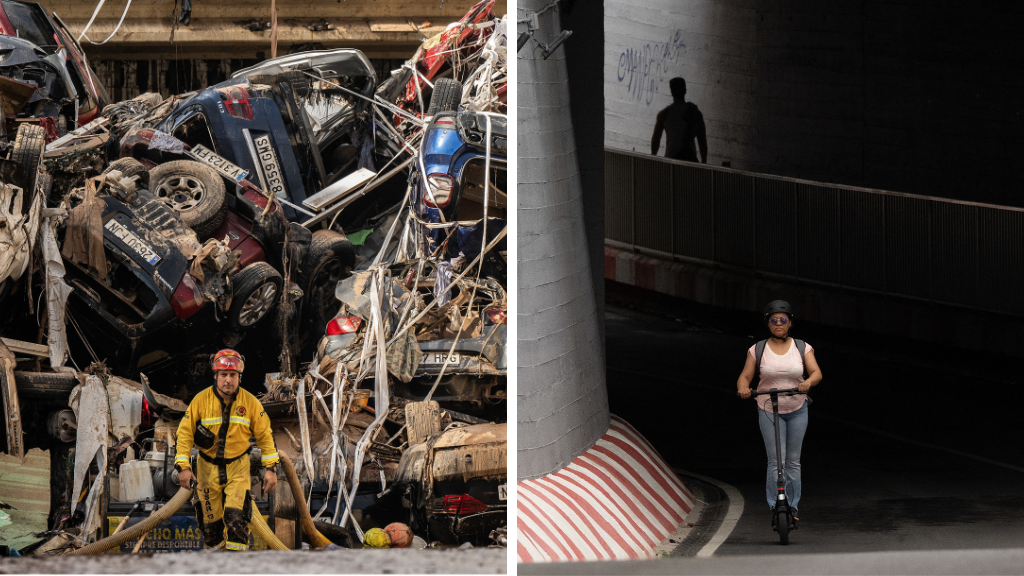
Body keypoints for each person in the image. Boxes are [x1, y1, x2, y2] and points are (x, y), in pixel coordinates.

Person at [175, 349, 279, 551]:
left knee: (236, 519)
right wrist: (183, 467)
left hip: (238, 468)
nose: (228, 380)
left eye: (233, 375)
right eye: (223, 374)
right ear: (215, 376)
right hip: (206, 470)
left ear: (239, 377)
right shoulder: (200, 401)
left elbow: (266, 436)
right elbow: (184, 434)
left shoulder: (250, 403)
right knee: (210, 528)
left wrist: (271, 470)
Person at [736, 300, 822, 522]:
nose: (778, 324)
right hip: (767, 407)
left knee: (793, 461)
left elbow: (816, 373)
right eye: (773, 320)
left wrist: (808, 383)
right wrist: (744, 388)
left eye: (783, 320)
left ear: (790, 322)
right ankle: (776, 505)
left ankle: (792, 508)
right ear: (768, 324)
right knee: (776, 461)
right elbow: (745, 376)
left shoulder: (803, 347)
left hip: (796, 408)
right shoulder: (757, 349)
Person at [650, 77, 708, 163]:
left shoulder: (664, 114)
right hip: (690, 160)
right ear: (685, 90)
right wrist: (704, 161)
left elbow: (655, 140)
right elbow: (702, 140)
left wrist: (653, 156)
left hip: (671, 160)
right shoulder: (695, 113)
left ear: (671, 92)